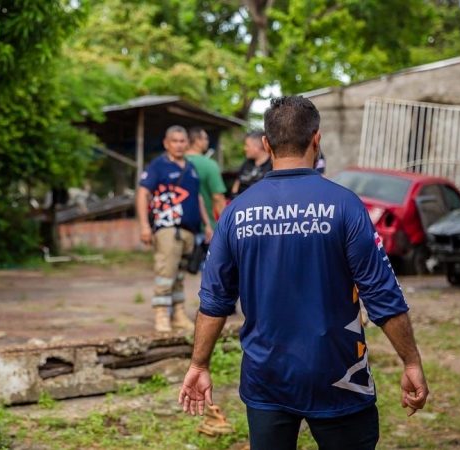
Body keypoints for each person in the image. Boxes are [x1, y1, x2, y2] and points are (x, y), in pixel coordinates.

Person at [178, 96, 429, 449]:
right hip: (340, 375)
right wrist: (411, 362)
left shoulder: (237, 213)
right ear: (316, 139)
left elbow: (214, 300)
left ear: (266, 144)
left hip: (267, 378)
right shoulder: (345, 206)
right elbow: (382, 294)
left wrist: (199, 364)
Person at [136, 126, 213, 332]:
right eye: (175, 141)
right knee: (166, 272)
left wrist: (207, 223)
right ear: (166, 143)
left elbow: (196, 197)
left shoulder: (191, 167)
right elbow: (143, 193)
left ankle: (178, 314)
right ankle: (161, 314)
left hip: (190, 230)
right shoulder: (157, 166)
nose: (179, 145)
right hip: (168, 228)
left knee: (180, 275)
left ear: (187, 143)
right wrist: (144, 225)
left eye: (182, 141)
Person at [186, 127, 227, 226]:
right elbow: (218, 197)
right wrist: (227, 225)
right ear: (197, 141)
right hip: (205, 226)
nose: (207, 142)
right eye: (206, 138)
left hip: (180, 225)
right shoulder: (209, 164)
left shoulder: (176, 163)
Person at [230, 130, 272, 196]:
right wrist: (234, 196)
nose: (245, 148)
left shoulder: (272, 164)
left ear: (257, 147)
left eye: (247, 145)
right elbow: (237, 182)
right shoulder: (247, 163)